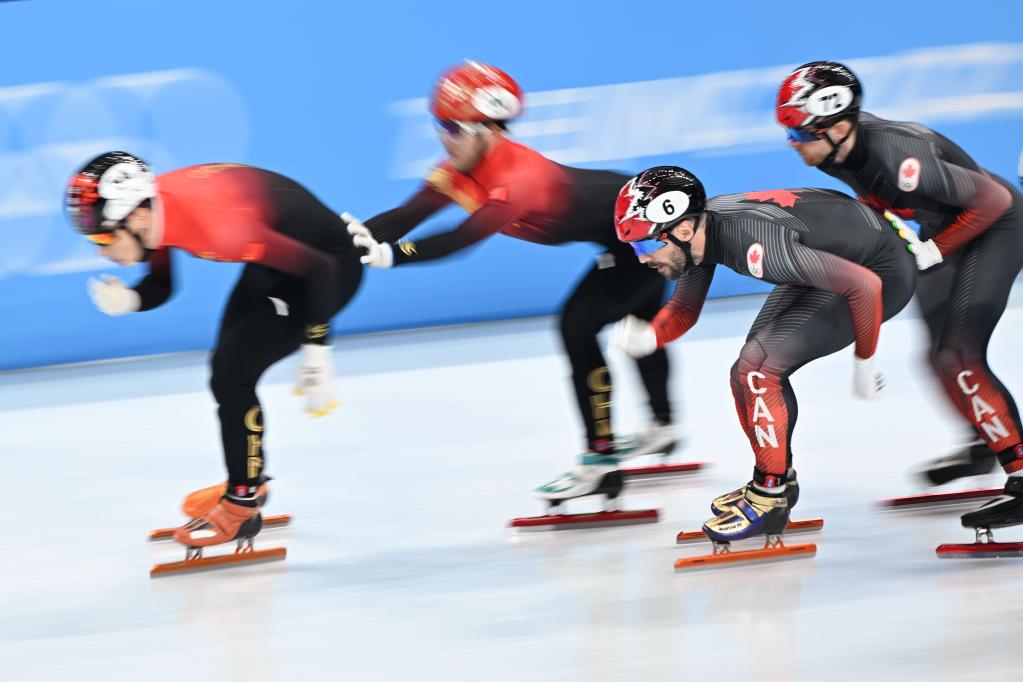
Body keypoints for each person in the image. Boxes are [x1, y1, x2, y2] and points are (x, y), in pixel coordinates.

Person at [346, 62, 678, 506]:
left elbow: (460, 240)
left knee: (578, 327)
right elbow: (404, 217)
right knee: (635, 321)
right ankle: (662, 427)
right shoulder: (458, 168)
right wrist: (342, 245)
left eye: (452, 127)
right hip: (626, 233)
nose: (443, 137)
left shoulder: (518, 179)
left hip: (659, 238)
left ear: (487, 130)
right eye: (438, 125)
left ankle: (600, 464)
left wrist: (389, 257)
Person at [65, 153, 362, 548]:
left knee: (232, 375)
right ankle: (247, 480)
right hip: (279, 257)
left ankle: (241, 507)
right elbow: (163, 285)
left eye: (103, 237)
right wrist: (131, 300)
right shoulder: (154, 209)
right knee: (226, 369)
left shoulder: (221, 228)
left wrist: (317, 349)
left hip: (326, 271)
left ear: (135, 218)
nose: (102, 252)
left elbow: (319, 270)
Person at [775, 62, 1023, 532]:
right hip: (944, 229)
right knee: (936, 357)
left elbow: (994, 201)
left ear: (839, 124)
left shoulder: (896, 157)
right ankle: (983, 442)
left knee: (959, 356)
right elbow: (877, 201)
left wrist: (935, 249)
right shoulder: (834, 151)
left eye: (799, 133)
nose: (793, 144)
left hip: (994, 226)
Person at [610, 166, 916, 542]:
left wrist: (864, 365)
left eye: (646, 245)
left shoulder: (756, 247)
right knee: (747, 368)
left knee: (759, 368)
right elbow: (685, 311)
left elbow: (865, 286)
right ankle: (774, 482)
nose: (641, 258)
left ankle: (770, 498)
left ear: (684, 230)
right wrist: (648, 337)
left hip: (879, 275)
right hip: (836, 258)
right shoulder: (698, 234)